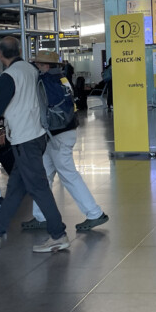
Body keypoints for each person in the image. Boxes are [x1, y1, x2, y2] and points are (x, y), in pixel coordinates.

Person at [0, 36, 69, 252]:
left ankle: (58, 235)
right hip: (37, 135)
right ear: (18, 51)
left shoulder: (9, 77)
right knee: (15, 188)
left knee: (39, 188)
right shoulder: (30, 70)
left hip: (25, 139)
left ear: (0, 55)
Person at [21, 50, 109, 233]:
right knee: (44, 175)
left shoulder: (46, 81)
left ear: (45, 65)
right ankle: (41, 216)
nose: (36, 67)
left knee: (68, 175)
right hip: (65, 130)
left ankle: (95, 213)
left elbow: (42, 107)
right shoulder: (61, 78)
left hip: (57, 135)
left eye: (38, 64)